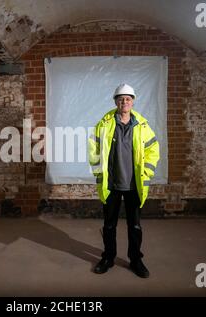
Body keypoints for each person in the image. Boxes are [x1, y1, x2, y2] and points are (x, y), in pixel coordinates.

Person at [88, 84, 160, 278]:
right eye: (121, 99)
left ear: (133, 101)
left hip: (134, 184)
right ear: (115, 102)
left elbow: (153, 150)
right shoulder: (104, 124)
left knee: (134, 225)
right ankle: (108, 258)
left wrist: (146, 172)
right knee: (109, 225)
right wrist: (98, 173)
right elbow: (93, 148)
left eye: (128, 99)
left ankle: (136, 260)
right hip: (111, 183)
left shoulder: (142, 126)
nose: (124, 102)